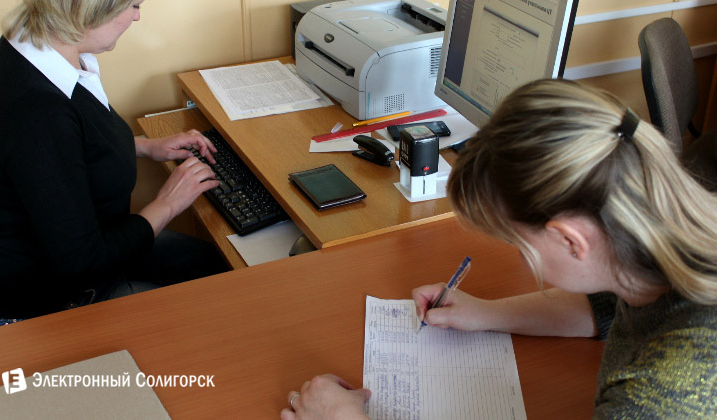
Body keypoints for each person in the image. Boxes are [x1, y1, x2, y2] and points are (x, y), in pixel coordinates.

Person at [281, 79, 717, 419]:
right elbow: (605, 304)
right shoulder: (657, 249)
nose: (517, 254)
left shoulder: (669, 392)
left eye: (517, 242)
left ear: (571, 240)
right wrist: (484, 314)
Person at [0, 0, 228, 329]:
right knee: (207, 317)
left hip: (83, 253)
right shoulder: (35, 108)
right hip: (41, 302)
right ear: (90, 6)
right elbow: (82, 263)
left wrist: (145, 146)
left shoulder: (34, 42)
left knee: (212, 263)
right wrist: (168, 203)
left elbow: (65, 150)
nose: (138, 17)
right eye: (134, 5)